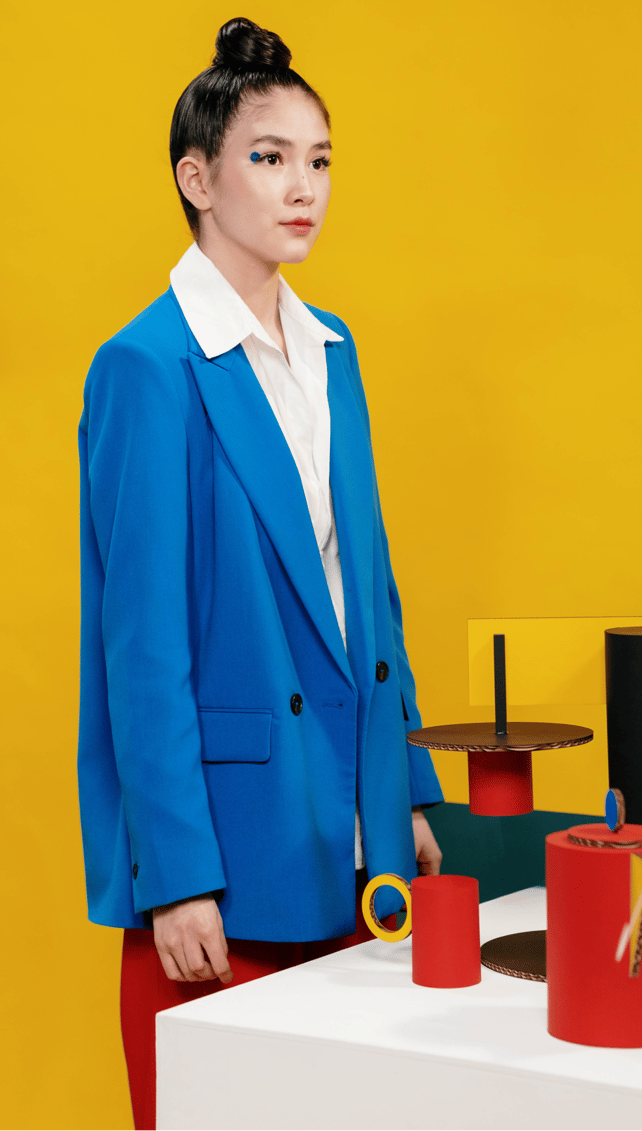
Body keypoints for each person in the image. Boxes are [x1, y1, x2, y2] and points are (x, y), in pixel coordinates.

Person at [76, 15, 444, 1131]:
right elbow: (139, 647)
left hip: (350, 834)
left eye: (319, 161)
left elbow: (368, 594)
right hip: (227, 857)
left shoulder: (335, 351)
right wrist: (177, 873)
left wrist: (406, 789)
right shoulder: (146, 367)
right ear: (197, 178)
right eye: (269, 157)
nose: (303, 189)